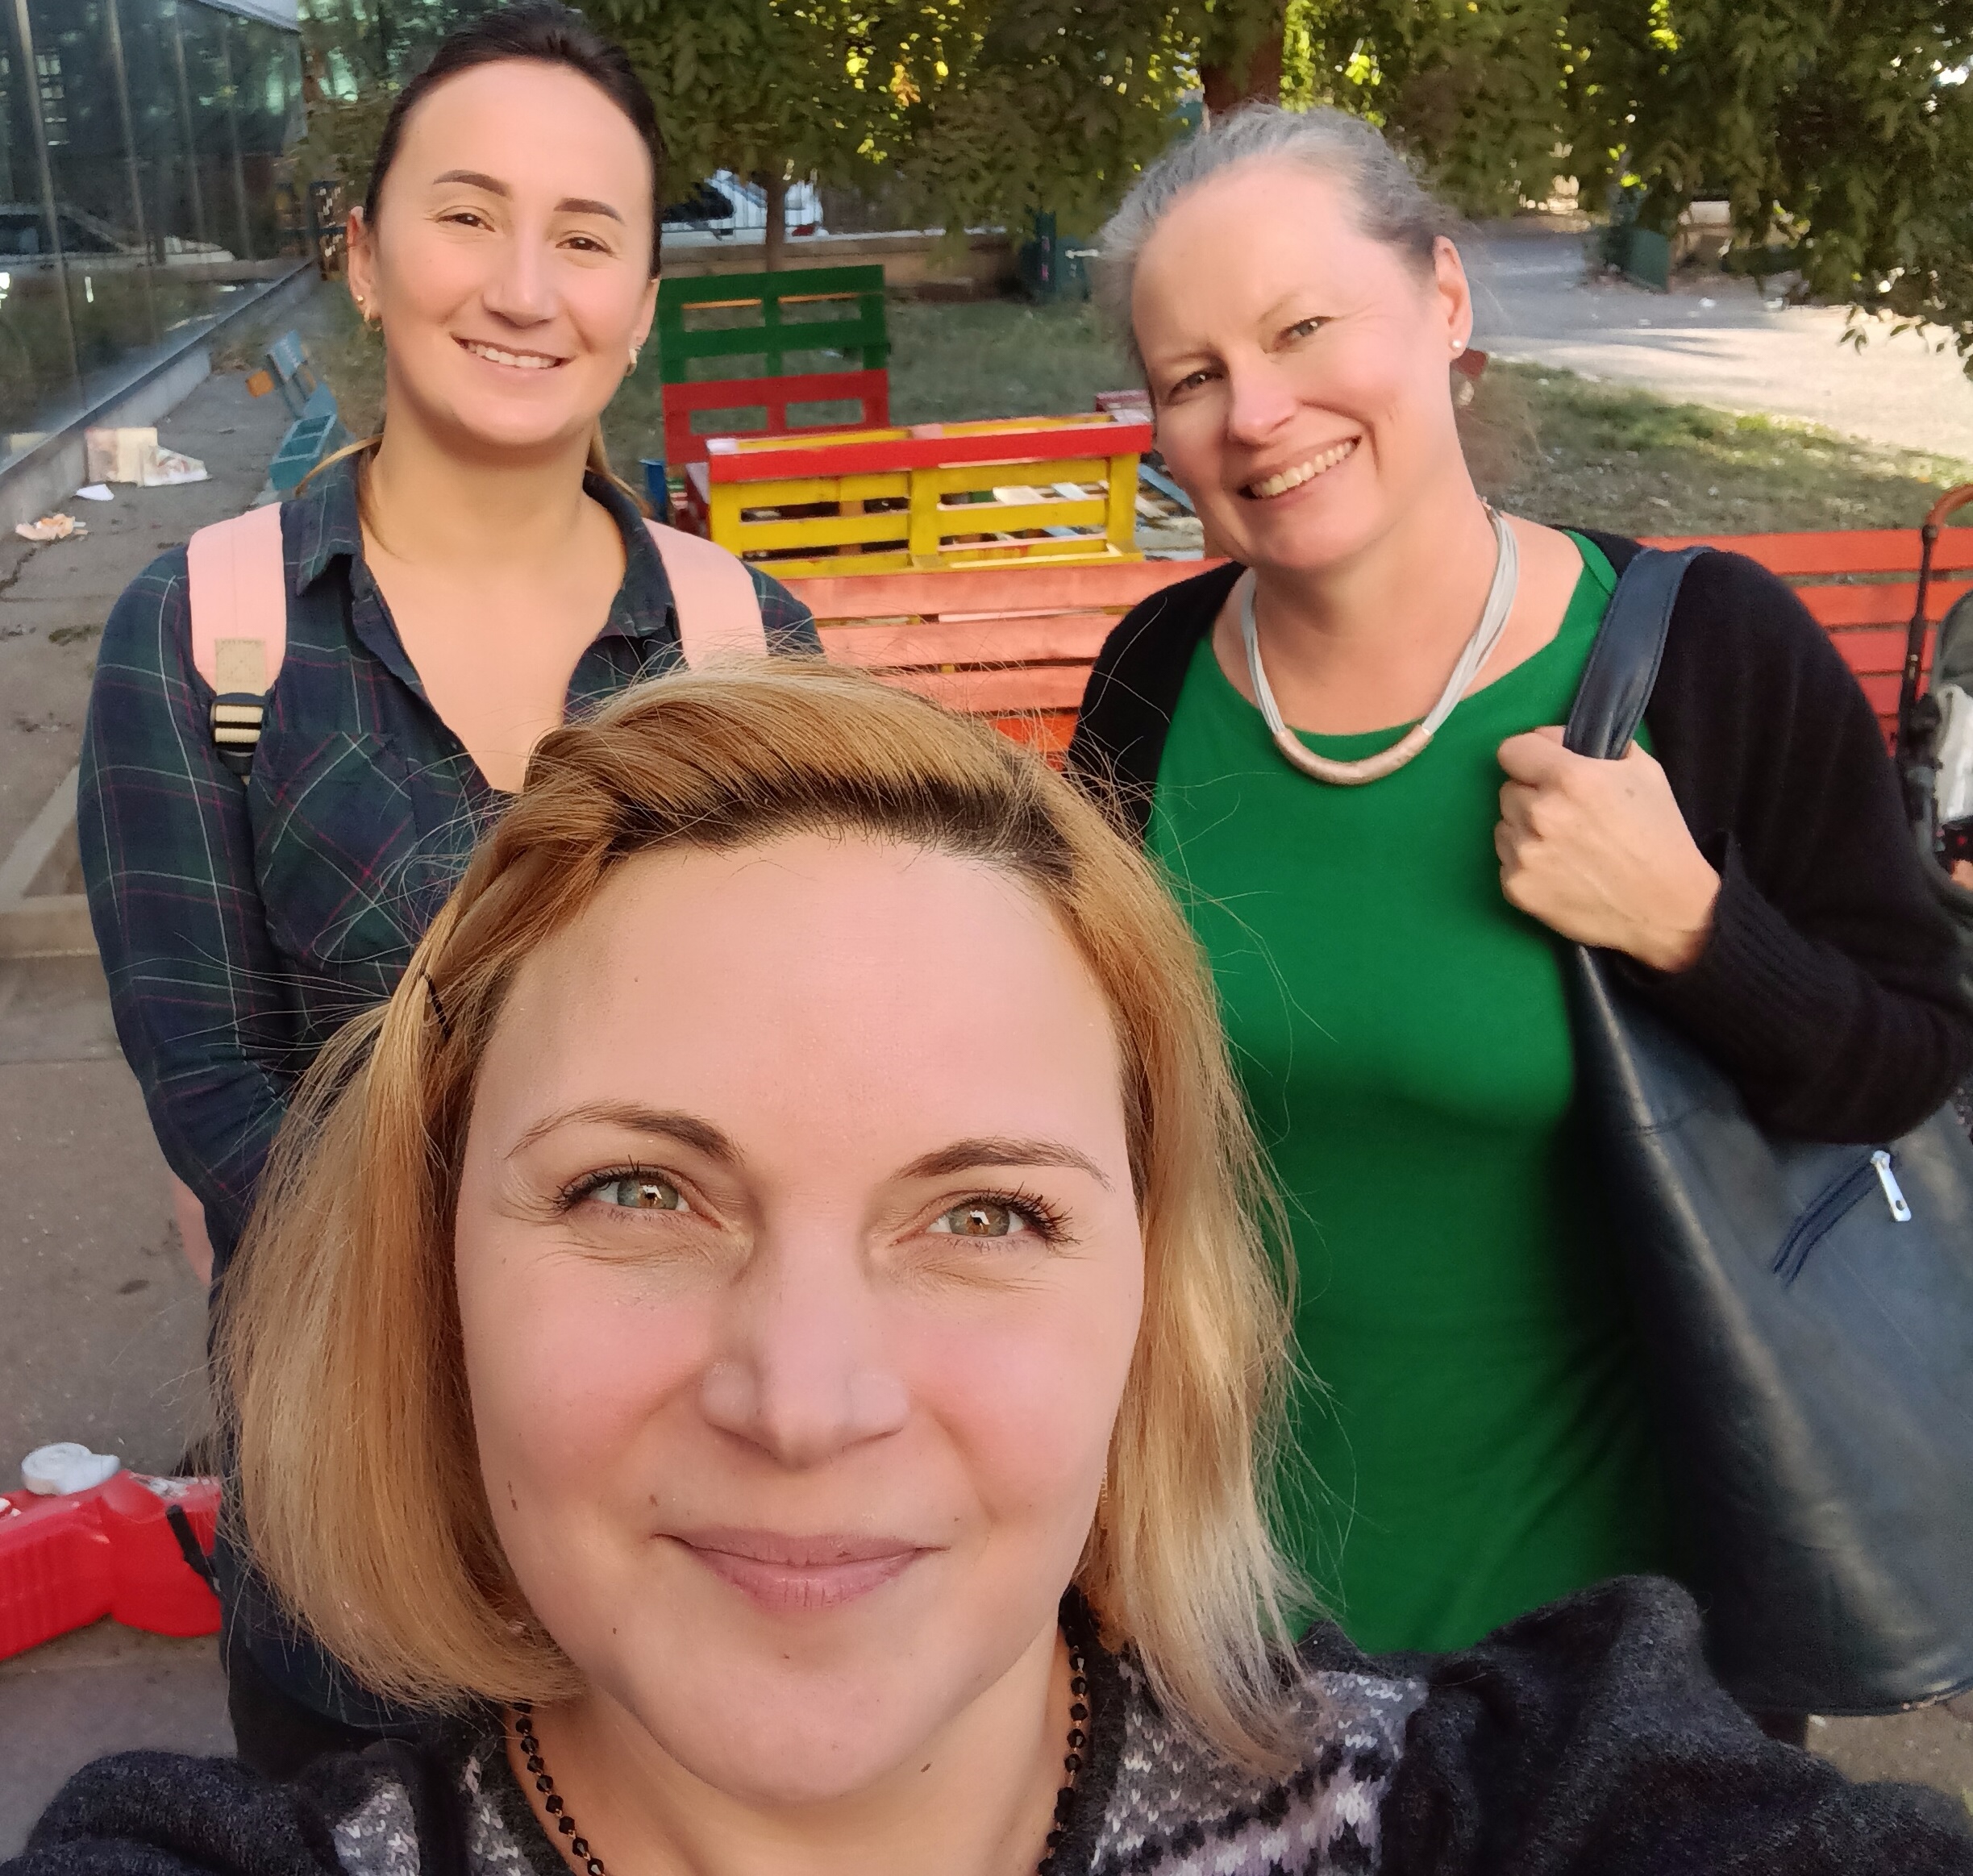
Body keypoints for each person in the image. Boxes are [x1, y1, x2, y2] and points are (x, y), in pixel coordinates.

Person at [15, 665, 1972, 1876]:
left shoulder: (1509, 1806)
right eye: (636, 1191)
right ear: (430, 1273)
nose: (806, 1397)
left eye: (985, 1214)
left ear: (1157, 1311)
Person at [1067, 105, 1973, 1677]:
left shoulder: (1707, 655)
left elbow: (1915, 1051)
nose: (1260, 412)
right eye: (1194, 377)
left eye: (1301, 329)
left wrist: (1695, 927)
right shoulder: (1152, 685)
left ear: (1445, 300)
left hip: (1614, 1665)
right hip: (1217, 1626)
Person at [74, 0, 817, 1766]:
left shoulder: (743, 644)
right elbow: (211, 1083)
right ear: (365, 254)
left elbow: (808, 1065)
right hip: (352, 1516)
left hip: (691, 1507)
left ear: (641, 302)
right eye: (467, 214)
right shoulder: (204, 633)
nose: (521, 285)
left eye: (585, 237)